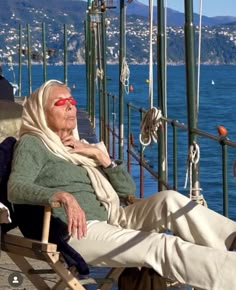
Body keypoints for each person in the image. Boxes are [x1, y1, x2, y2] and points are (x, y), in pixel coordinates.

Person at [8, 79, 236, 290]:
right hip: (79, 231)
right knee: (160, 246)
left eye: (72, 101)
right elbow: (16, 187)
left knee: (170, 199)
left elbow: (127, 191)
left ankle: (231, 241)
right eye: (61, 102)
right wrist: (60, 196)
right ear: (41, 112)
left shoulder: (77, 146)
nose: (70, 107)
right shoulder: (33, 144)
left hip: (113, 217)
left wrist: (100, 156)